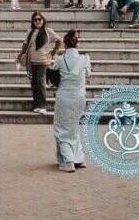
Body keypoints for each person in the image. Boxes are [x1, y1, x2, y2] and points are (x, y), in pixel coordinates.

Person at [50, 30, 92, 172]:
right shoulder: (85, 58)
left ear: (65, 45)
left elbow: (52, 68)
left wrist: (55, 52)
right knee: (74, 128)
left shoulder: (60, 59)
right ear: (77, 43)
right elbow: (88, 73)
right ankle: (79, 158)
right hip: (80, 96)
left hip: (64, 96)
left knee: (62, 128)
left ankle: (68, 161)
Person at [16, 11, 62, 115]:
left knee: (41, 83)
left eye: (39, 19)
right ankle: (37, 104)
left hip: (43, 61)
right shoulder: (30, 31)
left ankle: (42, 106)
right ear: (32, 21)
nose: (37, 21)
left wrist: (54, 51)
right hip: (32, 61)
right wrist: (20, 55)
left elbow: (59, 40)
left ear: (43, 20)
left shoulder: (48, 31)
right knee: (34, 83)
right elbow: (25, 44)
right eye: (35, 20)